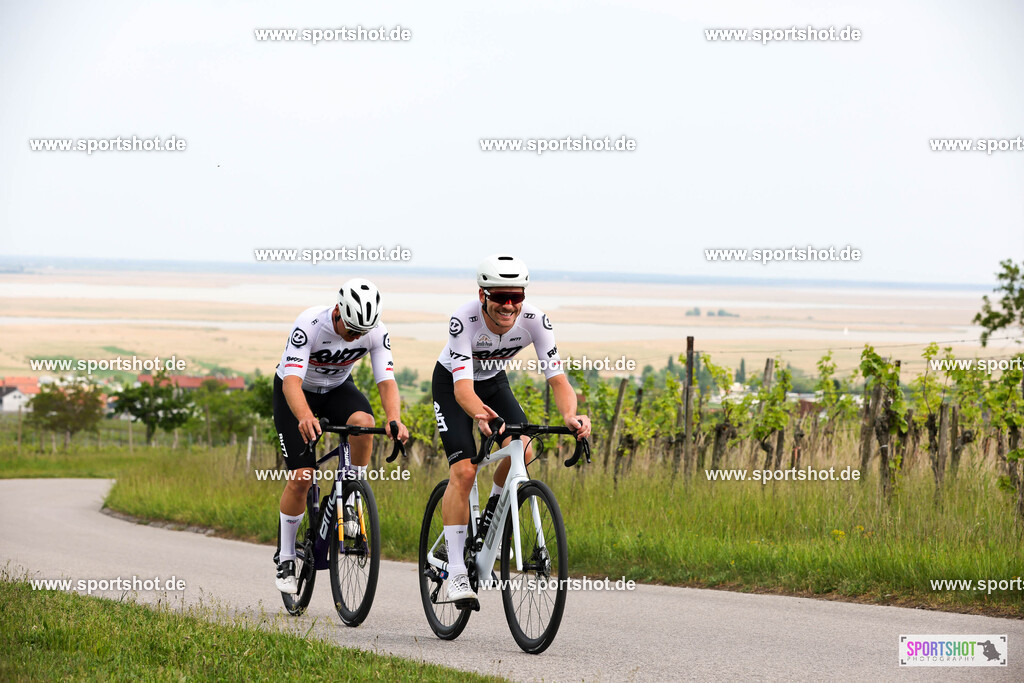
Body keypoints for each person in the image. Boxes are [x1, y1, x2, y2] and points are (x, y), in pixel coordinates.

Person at [432, 254, 591, 606]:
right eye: (500, 296)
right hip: (454, 385)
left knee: (525, 447)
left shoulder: (536, 320)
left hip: (492, 382)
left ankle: (491, 513)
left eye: (515, 297)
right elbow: (462, 391)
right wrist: (478, 414)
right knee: (464, 470)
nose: (508, 305)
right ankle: (456, 570)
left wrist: (570, 415)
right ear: (482, 295)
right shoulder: (464, 319)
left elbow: (558, 379)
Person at [273, 278, 409, 593]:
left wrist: (394, 419)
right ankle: (286, 556)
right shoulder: (309, 324)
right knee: (302, 476)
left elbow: (386, 382)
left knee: (364, 421)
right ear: (338, 311)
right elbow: (291, 382)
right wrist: (305, 416)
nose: (355, 338)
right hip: (296, 391)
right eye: (350, 330)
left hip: (336, 390)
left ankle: (351, 495)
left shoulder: (376, 331)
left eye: (361, 333)